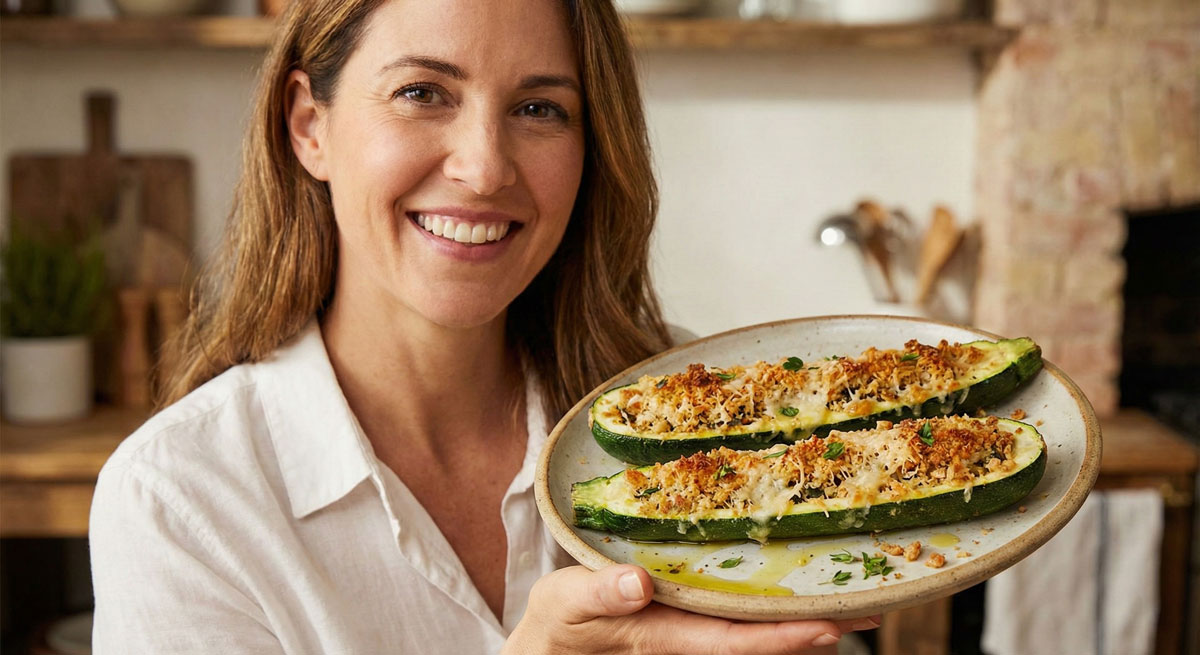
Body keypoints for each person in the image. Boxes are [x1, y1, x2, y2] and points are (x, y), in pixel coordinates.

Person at [89, 0, 879, 652]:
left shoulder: (685, 410)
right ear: (309, 126)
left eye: (539, 108)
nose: (485, 166)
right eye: (423, 92)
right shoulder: (181, 498)